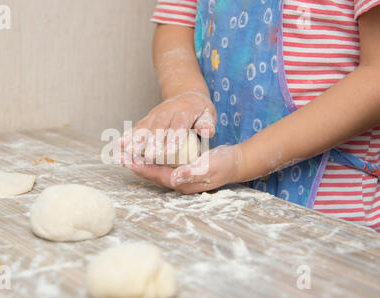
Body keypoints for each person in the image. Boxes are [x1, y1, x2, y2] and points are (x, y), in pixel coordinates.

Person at [120, 0, 380, 232]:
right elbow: (176, 24)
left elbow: (375, 77)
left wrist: (242, 161)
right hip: (220, 195)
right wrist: (185, 91)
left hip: (332, 216)